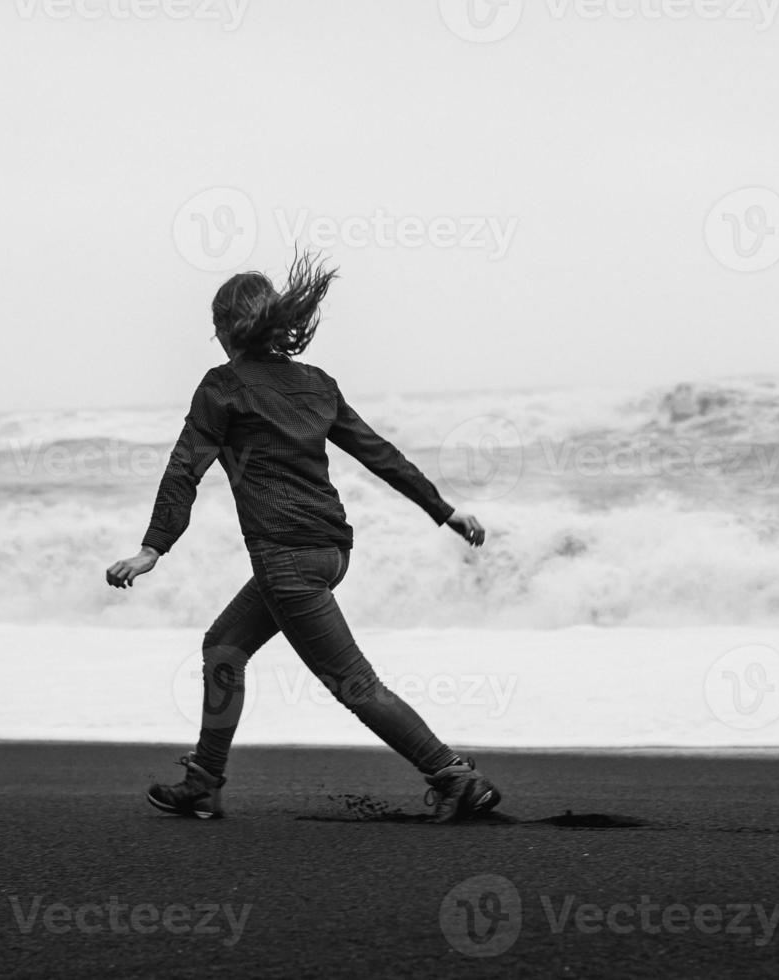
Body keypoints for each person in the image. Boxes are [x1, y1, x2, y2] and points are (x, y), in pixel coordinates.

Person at [105, 250, 501, 823]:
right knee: (223, 647)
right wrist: (444, 510)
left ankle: (453, 776)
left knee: (355, 685)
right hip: (330, 552)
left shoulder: (223, 387)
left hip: (286, 559)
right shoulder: (316, 384)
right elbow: (378, 453)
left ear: (225, 329)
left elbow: (184, 468)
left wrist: (152, 549)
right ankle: (203, 783)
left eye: (215, 326)